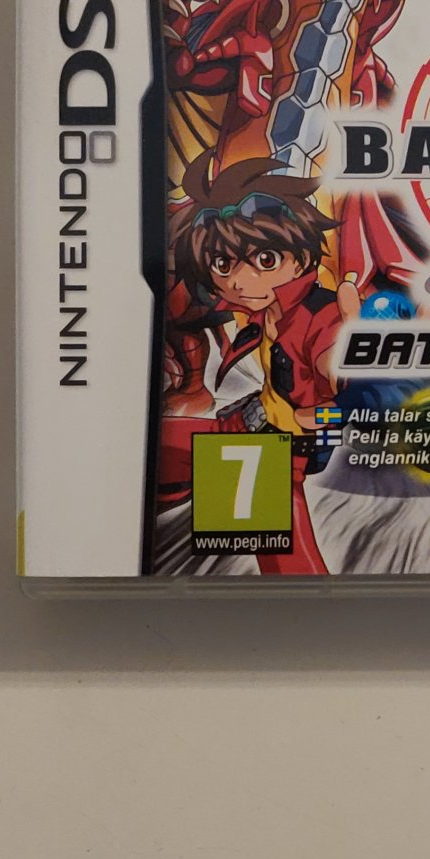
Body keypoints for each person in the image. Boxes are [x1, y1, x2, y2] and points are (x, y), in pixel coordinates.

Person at [159, 151, 359, 575]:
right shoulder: (261, 308)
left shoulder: (319, 316)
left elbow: (343, 396)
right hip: (241, 426)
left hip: (278, 452)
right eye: (223, 264)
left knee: (292, 576)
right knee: (148, 452)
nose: (238, 281)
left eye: (266, 261)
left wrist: (343, 368)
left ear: (300, 259)